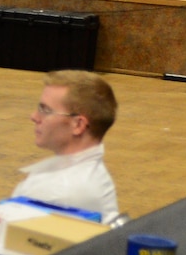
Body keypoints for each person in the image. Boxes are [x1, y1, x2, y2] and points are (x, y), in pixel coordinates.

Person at [9, 69, 120, 222]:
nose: (34, 117)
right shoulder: (94, 175)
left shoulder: (56, 193)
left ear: (78, 124)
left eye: (45, 110)